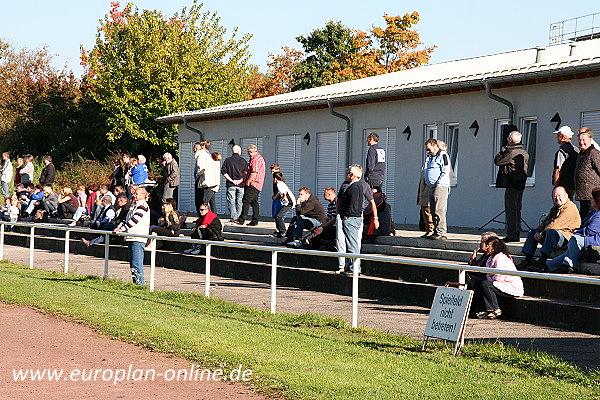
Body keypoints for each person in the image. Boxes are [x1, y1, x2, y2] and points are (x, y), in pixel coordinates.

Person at [516, 186, 580, 271]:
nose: (557, 198)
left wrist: (541, 233)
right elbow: (545, 222)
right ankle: (528, 260)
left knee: (551, 232)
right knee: (532, 231)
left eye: (559, 195)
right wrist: (538, 231)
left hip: (566, 238)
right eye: (554, 196)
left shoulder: (570, 208)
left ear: (566, 195)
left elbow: (556, 224)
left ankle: (542, 261)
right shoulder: (555, 208)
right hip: (551, 235)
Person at [545, 187, 600, 274]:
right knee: (569, 253)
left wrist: (577, 231)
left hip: (595, 240)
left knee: (575, 239)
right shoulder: (593, 212)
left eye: (593, 198)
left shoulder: (599, 214)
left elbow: (591, 230)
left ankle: (570, 266)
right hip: (589, 238)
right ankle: (548, 265)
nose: (591, 200)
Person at [336, 164, 379, 275]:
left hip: (351, 218)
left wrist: (347, 216)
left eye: (349, 173)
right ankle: (349, 265)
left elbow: (354, 205)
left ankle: (354, 268)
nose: (347, 175)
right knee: (350, 242)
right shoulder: (352, 185)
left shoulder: (356, 187)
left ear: (352, 175)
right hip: (350, 217)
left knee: (352, 244)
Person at [469, 237, 524, 319]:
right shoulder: (491, 258)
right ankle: (479, 309)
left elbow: (499, 277)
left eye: (489, 246)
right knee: (476, 282)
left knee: (485, 284)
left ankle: (495, 309)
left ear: (495, 247)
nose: (486, 248)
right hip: (498, 283)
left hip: (510, 286)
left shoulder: (500, 258)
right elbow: (488, 274)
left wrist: (489, 279)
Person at [494, 131, 529, 242]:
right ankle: (516, 233)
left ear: (510, 140)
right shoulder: (524, 152)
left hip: (512, 184)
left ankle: (512, 235)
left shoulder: (511, 153)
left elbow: (498, 161)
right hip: (520, 184)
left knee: (511, 210)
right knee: (517, 210)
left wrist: (504, 149)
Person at [114, 188, 151, 285]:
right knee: (133, 264)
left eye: (137, 194)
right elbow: (127, 219)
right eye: (135, 194)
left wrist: (123, 229)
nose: (135, 195)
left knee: (137, 264)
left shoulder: (143, 206)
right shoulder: (134, 205)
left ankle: (140, 285)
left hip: (138, 238)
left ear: (143, 195)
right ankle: (136, 284)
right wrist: (119, 227)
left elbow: (135, 220)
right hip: (131, 236)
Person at [423, 139, 451, 240]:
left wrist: (439, 183)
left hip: (440, 187)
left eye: (429, 148)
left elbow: (446, 170)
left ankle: (441, 232)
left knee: (439, 209)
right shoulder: (430, 157)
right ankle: (435, 231)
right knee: (432, 210)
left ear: (435, 146)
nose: (428, 151)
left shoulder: (442, 155)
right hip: (431, 186)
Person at [233, 144, 265, 226]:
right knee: (254, 202)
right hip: (257, 184)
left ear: (251, 151)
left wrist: (248, 181)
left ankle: (241, 219)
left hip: (253, 183)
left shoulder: (256, 160)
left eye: (248, 152)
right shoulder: (257, 158)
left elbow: (254, 172)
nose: (247, 153)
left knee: (245, 200)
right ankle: (255, 220)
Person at [574, 127, 600, 220]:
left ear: (590, 140)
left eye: (583, 140)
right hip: (582, 194)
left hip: (591, 194)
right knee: (584, 215)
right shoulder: (581, 154)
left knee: (590, 216)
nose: (581, 142)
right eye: (579, 140)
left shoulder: (594, 153)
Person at [221, 144, 248, 221]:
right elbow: (246, 173)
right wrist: (240, 180)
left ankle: (233, 217)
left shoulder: (227, 160)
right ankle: (238, 217)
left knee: (231, 200)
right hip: (241, 184)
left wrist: (231, 180)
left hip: (231, 184)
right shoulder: (243, 161)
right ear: (239, 151)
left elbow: (224, 172)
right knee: (240, 201)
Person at [552, 126, 579, 199]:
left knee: (560, 204)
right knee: (569, 203)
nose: (557, 138)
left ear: (562, 136)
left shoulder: (562, 151)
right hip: (573, 183)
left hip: (563, 184)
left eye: (557, 135)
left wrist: (556, 185)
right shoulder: (576, 150)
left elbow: (558, 170)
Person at [271, 171, 296, 238]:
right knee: (277, 216)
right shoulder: (281, 183)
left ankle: (283, 231)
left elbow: (284, 193)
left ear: (275, 178)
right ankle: (279, 231)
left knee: (279, 216)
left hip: (289, 203)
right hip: (287, 203)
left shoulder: (279, 184)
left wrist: (282, 198)